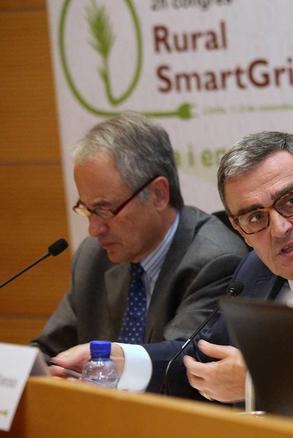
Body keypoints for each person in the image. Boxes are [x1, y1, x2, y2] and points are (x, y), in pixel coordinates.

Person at [52, 131, 293, 402]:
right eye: (255, 216)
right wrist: (120, 360)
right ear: (239, 228)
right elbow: (199, 359)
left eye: (291, 201)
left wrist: (258, 382)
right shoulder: (254, 271)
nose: (279, 228)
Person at [35, 112, 248, 361]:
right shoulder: (92, 257)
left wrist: (107, 360)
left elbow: (179, 363)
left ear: (158, 194)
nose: (94, 229)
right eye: (87, 210)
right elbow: (49, 349)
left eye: (105, 209)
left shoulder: (215, 260)